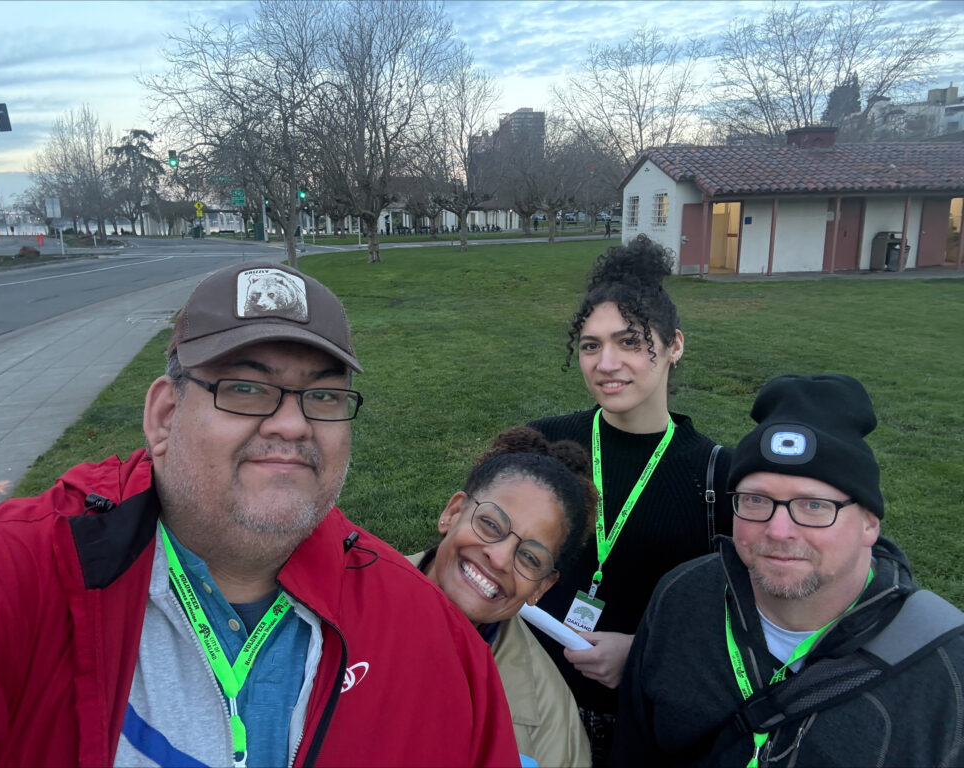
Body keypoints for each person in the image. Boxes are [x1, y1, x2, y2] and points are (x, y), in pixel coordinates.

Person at [0, 261, 520, 768]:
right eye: (245, 388)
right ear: (166, 415)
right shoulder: (20, 575)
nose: (292, 425)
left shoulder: (433, 642)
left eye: (321, 396)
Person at [613, 374, 964, 767]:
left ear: (869, 523)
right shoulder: (681, 596)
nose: (778, 530)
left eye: (814, 506)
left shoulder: (947, 669)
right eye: (756, 499)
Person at [528, 235, 732, 764]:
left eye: (629, 341)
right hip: (534, 706)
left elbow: (734, 618)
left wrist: (642, 653)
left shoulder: (717, 474)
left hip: (644, 726)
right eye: (591, 345)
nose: (606, 362)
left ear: (674, 346)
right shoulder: (545, 446)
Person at [409, 426, 596, 768]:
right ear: (453, 512)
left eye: (530, 558)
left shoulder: (549, 720)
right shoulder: (341, 595)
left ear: (541, 587)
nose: (498, 558)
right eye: (491, 525)